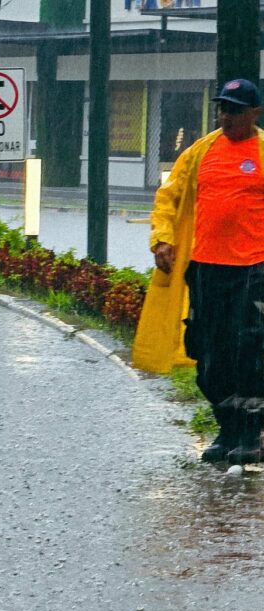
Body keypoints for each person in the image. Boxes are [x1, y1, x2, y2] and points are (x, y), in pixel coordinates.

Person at [133, 78, 264, 464]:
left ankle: (251, 434)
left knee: (250, 353)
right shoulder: (200, 152)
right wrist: (162, 239)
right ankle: (227, 429)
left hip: (254, 270)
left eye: (234, 110)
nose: (225, 116)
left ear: (254, 114)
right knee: (210, 355)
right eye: (222, 108)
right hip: (206, 269)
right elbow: (168, 196)